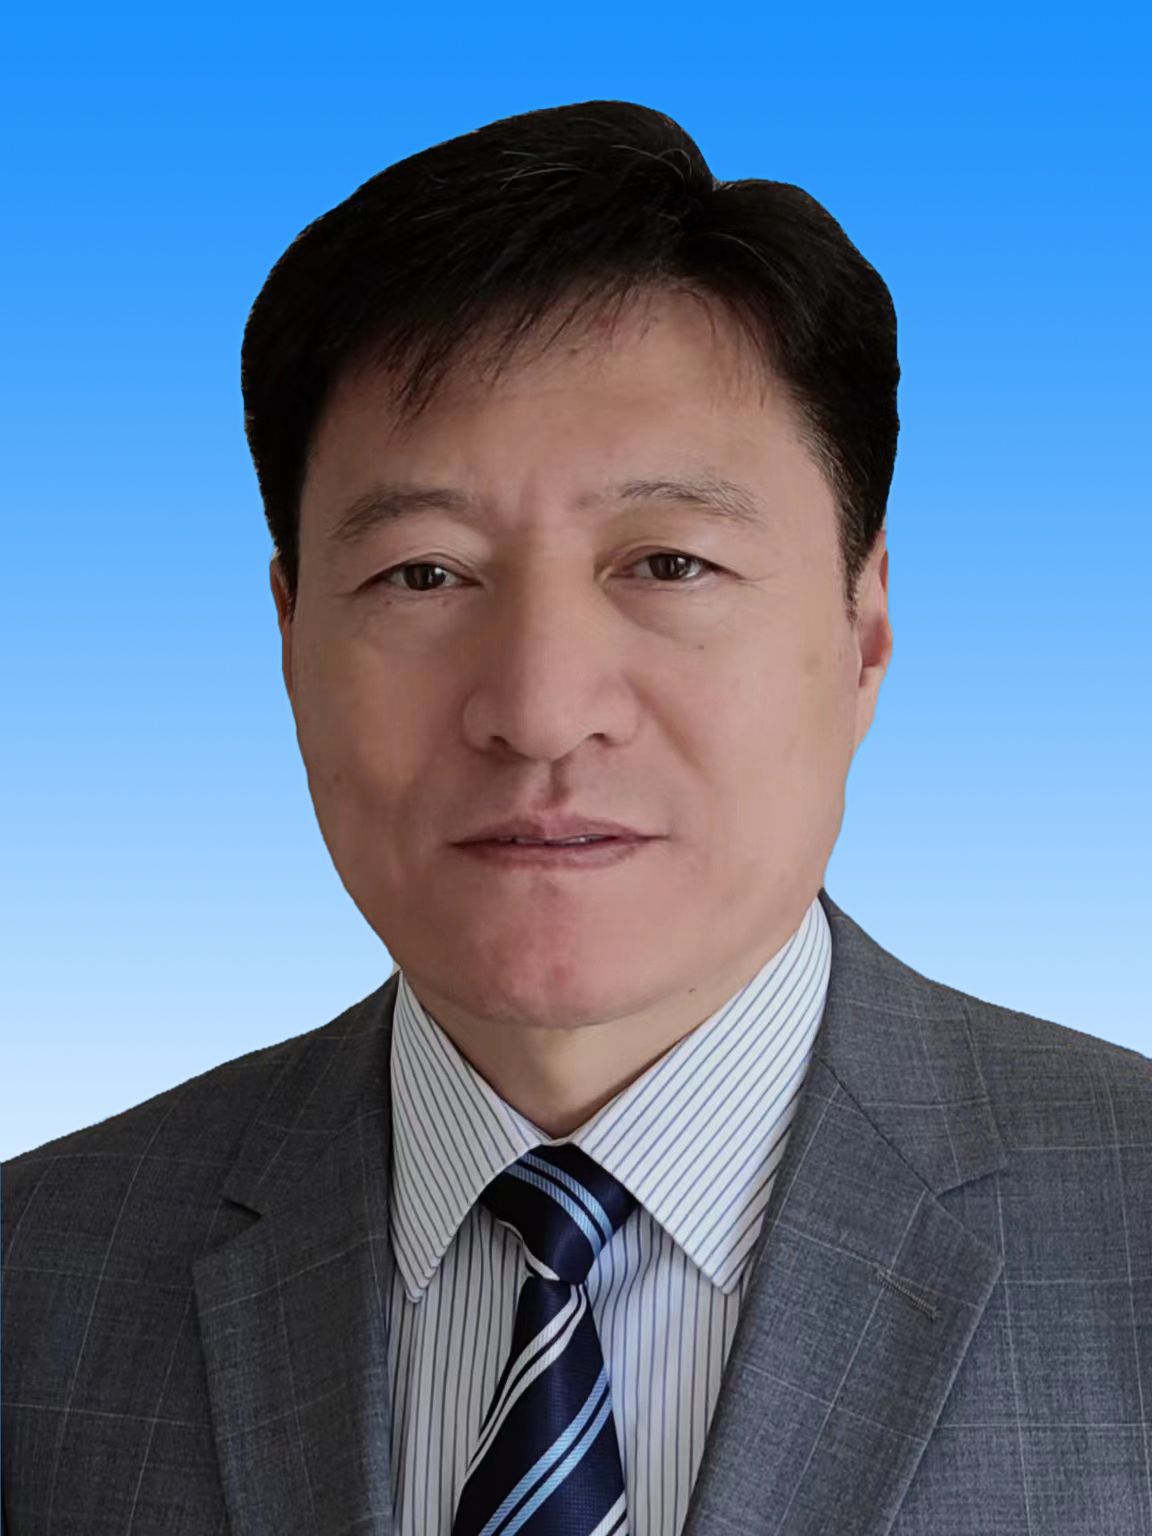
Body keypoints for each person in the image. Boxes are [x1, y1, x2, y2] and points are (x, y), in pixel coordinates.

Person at [3, 98, 1149, 1536]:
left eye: (667, 563)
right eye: (424, 575)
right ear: (290, 638)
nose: (541, 710)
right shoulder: (35, 1282)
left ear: (863, 633)